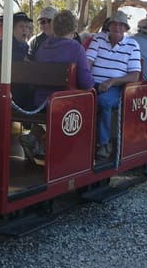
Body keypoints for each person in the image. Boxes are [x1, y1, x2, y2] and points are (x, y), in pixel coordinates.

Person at [21, 10, 95, 165]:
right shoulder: (76, 48)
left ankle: (34, 137)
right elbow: (86, 82)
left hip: (39, 101)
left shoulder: (44, 45)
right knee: (94, 100)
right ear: (73, 29)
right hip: (63, 102)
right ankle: (84, 151)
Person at [86, 10, 141, 160]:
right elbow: (87, 62)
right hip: (94, 84)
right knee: (77, 99)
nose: (117, 27)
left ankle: (104, 144)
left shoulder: (133, 45)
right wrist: (85, 81)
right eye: (114, 24)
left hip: (117, 88)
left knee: (103, 102)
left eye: (121, 25)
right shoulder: (98, 38)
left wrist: (111, 82)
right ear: (109, 26)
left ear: (126, 28)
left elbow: (135, 75)